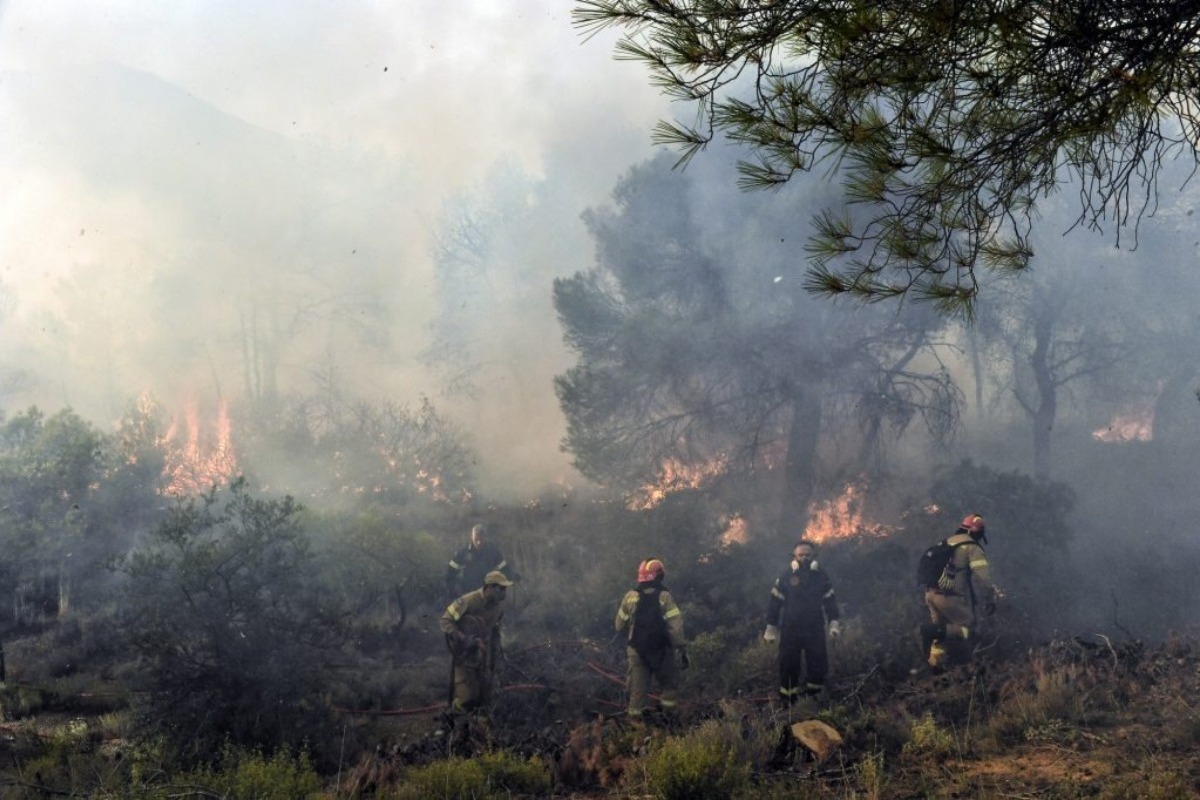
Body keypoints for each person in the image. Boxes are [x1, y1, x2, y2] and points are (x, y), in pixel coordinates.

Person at [764, 539, 841, 704]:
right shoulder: (785, 576)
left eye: (808, 555)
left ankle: (815, 699)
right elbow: (775, 602)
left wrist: (834, 621)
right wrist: (771, 626)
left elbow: (830, 600)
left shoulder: (821, 576)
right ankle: (788, 700)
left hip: (815, 629)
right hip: (791, 629)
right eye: (800, 555)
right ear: (794, 557)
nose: (804, 558)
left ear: (814, 557)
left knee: (818, 662)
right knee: (788, 664)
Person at [921, 513, 997, 671]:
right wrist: (989, 599)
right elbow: (983, 578)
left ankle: (935, 666)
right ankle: (928, 631)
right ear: (976, 531)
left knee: (941, 632)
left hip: (930, 594)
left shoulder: (948, 542)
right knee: (969, 627)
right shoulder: (972, 547)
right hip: (948, 597)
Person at [614, 558, 688, 721]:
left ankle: (635, 727)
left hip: (637, 651)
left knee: (637, 691)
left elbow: (619, 625)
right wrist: (680, 647)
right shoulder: (665, 597)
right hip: (663, 651)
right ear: (658, 576)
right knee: (669, 686)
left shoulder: (630, 597)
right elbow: (675, 627)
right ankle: (669, 719)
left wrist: (634, 636)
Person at [439, 569, 514, 716]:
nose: (504, 593)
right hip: (463, 654)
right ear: (490, 587)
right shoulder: (468, 600)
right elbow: (445, 621)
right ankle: (453, 721)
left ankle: (478, 728)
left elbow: (495, 631)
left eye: (505, 589)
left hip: (482, 655)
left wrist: (496, 656)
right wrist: (465, 639)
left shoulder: (498, 607)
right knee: (467, 697)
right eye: (501, 588)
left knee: (484, 696)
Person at [445, 524, 511, 599]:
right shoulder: (463, 553)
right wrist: (453, 592)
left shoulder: (493, 552)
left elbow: (504, 568)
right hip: (467, 594)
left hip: (488, 595)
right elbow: (450, 574)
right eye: (476, 539)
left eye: (481, 539)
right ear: (471, 537)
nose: (479, 542)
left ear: (486, 538)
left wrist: (512, 576)